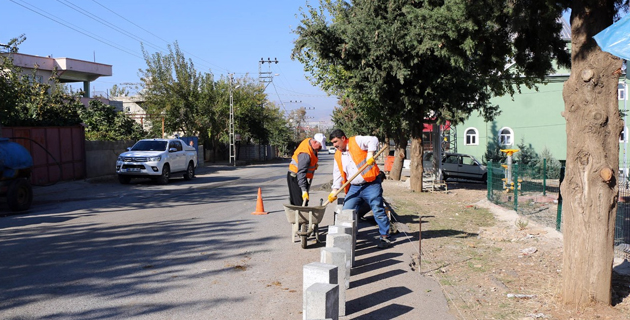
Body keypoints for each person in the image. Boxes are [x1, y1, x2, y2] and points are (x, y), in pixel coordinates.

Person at [327, 129, 391, 249]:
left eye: (336, 141)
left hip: (371, 184)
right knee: (346, 211)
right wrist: (334, 190)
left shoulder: (356, 141)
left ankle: (385, 237)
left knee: (377, 209)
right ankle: (347, 237)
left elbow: (373, 139)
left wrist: (370, 154)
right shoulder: (338, 155)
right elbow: (338, 173)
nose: (334, 145)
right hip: (354, 188)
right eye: (332, 143)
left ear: (343, 138)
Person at [287, 133, 326, 206]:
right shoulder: (305, 154)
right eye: (319, 147)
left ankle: (302, 215)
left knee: (304, 201)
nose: (319, 149)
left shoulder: (310, 142)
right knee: (299, 203)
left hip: (300, 176)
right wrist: (304, 190)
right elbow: (301, 173)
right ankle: (298, 216)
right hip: (295, 177)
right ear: (314, 142)